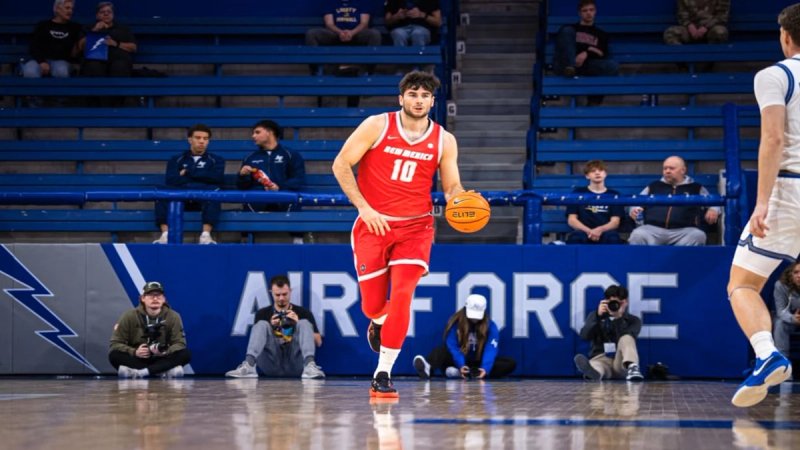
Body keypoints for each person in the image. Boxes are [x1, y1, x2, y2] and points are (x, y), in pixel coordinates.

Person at [331, 70, 468, 398]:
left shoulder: (443, 140)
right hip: (373, 224)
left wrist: (462, 199)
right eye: (413, 94)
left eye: (425, 96)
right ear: (401, 98)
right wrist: (364, 207)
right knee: (374, 305)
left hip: (416, 227)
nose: (418, 101)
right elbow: (340, 164)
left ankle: (383, 372)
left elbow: (451, 186)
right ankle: (377, 322)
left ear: (433, 102)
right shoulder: (377, 125)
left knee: (404, 292)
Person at [728, 4, 799, 408]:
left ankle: (767, 354)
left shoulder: (776, 75)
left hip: (790, 191)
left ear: (786, 37)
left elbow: (772, 139)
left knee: (742, 285)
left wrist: (761, 202)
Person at [225, 275, 325, 379]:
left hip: (296, 363)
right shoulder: (262, 313)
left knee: (304, 322)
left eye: (285, 294)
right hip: (271, 362)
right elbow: (258, 339)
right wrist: (271, 326)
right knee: (262, 324)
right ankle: (249, 366)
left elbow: (318, 342)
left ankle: (309, 366)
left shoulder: (303, 312)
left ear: (290, 291)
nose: (281, 298)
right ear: (271, 292)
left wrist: (297, 323)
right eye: (277, 295)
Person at [412, 294, 516, 379]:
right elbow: (452, 346)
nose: (474, 319)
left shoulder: (491, 326)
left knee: (509, 363)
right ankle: (428, 367)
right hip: (458, 360)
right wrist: (461, 365)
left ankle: (469, 373)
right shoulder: (455, 324)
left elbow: (491, 349)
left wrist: (485, 368)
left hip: (478, 362)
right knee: (441, 351)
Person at [153, 124, 225, 245]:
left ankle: (206, 235)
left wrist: (188, 172)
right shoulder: (176, 159)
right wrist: (202, 175)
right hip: (182, 196)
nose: (202, 141)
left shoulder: (216, 159)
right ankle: (165, 234)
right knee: (161, 192)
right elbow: (171, 180)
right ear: (190, 139)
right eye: (198, 137)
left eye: (205, 138)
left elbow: (216, 179)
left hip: (203, 196)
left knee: (215, 191)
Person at [237, 120, 307, 243]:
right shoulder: (250, 158)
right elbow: (242, 186)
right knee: (247, 202)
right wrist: (242, 175)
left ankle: (298, 241)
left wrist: (279, 187)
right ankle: (246, 240)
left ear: (270, 133)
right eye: (253, 133)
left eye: (257, 132)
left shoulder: (291, 155)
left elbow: (298, 179)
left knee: (295, 201)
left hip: (283, 198)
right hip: (259, 199)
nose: (253, 136)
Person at [627, 155, 720, 246]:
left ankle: (677, 259)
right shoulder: (654, 185)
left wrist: (713, 209)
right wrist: (634, 209)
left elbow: (714, 202)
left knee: (698, 235)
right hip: (653, 230)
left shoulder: (696, 187)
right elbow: (637, 202)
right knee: (637, 235)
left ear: (683, 170)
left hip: (683, 231)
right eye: (665, 168)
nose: (667, 171)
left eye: (671, 168)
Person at [109, 281, 191, 378]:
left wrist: (165, 351)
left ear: (164, 299)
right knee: (114, 355)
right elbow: (115, 343)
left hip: (162, 357)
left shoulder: (173, 316)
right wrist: (134, 352)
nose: (155, 298)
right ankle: (162, 371)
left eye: (159, 295)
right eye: (151, 295)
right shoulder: (129, 316)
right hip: (138, 358)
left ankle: (140, 373)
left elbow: (180, 343)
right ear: (143, 298)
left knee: (185, 354)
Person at [573, 285, 644, 381]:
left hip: (621, 362)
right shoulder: (595, 316)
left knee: (627, 338)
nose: (615, 306)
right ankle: (594, 374)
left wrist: (618, 318)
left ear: (625, 303)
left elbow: (624, 337)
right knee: (597, 367)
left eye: (618, 303)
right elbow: (585, 336)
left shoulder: (634, 321)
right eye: (612, 302)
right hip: (601, 359)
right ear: (606, 302)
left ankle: (632, 367)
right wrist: (597, 318)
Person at [305, 0, 382, 74]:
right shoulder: (330, 2)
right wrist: (340, 32)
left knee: (375, 34)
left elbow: (364, 23)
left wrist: (352, 33)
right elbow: (329, 24)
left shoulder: (362, 2)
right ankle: (316, 71)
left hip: (356, 34)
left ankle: (367, 71)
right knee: (311, 34)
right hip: (335, 35)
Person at [552, 0, 619, 80]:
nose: (588, 13)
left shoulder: (601, 34)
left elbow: (601, 53)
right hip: (566, 65)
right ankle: (571, 69)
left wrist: (586, 53)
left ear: (595, 11)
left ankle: (574, 73)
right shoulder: (570, 29)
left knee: (612, 65)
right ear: (579, 13)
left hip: (587, 66)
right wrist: (590, 49)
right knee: (566, 30)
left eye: (591, 10)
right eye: (585, 10)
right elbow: (565, 48)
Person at [565, 160, 624, 244]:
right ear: (587, 176)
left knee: (613, 238)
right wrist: (589, 231)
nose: (597, 173)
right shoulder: (578, 193)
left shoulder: (614, 195)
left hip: (605, 232)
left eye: (600, 170)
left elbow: (615, 222)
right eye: (593, 171)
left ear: (605, 174)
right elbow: (572, 220)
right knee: (576, 238)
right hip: (583, 232)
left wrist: (599, 230)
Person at [23, 0, 82, 79]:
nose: (70, 11)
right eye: (67, 8)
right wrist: (41, 62)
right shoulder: (43, 25)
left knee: (61, 71)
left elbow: (78, 48)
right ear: (57, 9)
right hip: (40, 60)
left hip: (62, 61)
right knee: (30, 71)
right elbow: (34, 46)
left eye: (72, 9)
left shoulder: (75, 28)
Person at [79, 2, 137, 78]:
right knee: (93, 66)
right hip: (96, 60)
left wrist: (116, 43)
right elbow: (80, 46)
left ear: (113, 14)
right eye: (102, 12)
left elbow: (133, 48)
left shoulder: (123, 29)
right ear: (97, 15)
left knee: (120, 66)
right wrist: (94, 31)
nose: (106, 14)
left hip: (117, 60)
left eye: (109, 12)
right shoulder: (89, 27)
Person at [663, 0, 730, 45]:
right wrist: (689, 26)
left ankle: (709, 62)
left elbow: (722, 16)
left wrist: (706, 27)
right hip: (690, 30)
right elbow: (682, 14)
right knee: (670, 34)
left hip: (711, 29)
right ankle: (684, 61)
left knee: (720, 32)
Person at [773, 263, 800, 357]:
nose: (799, 276)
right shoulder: (780, 285)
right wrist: (793, 318)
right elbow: (780, 311)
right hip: (790, 320)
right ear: (790, 274)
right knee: (780, 323)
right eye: (796, 272)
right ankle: (783, 362)